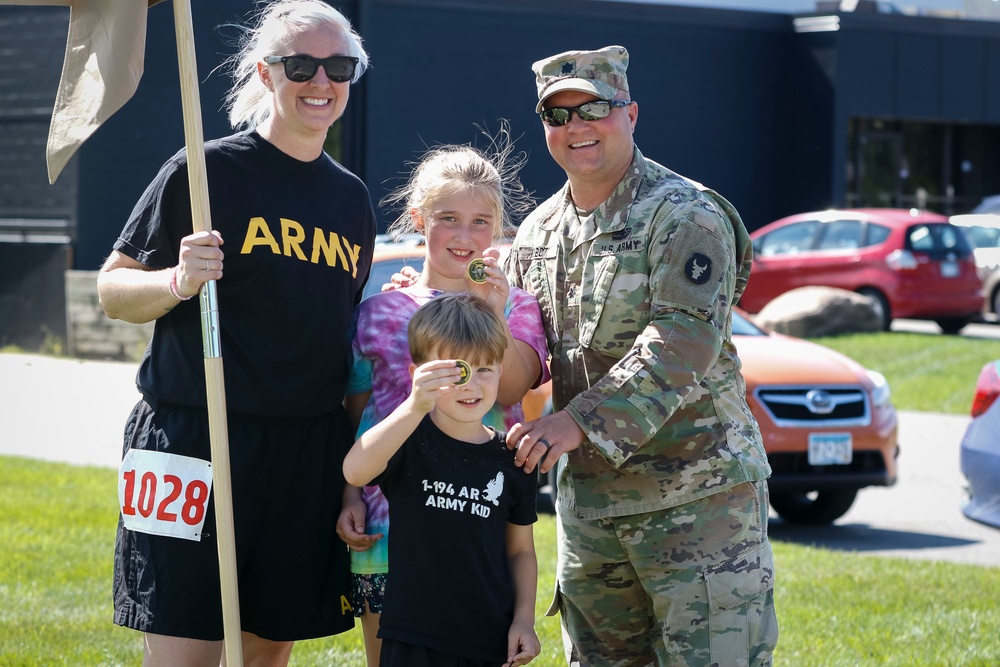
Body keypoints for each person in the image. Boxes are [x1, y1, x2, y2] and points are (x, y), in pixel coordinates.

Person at [97, 1, 374, 665]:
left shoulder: (351, 200)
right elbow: (113, 288)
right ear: (266, 72)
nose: (320, 81)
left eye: (338, 66)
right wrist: (177, 282)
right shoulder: (204, 170)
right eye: (301, 64)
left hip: (304, 450)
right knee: (185, 652)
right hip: (193, 435)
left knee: (264, 655)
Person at [502, 46, 780, 666]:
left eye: (593, 108)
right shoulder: (538, 233)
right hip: (593, 514)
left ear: (631, 113)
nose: (576, 127)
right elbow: (522, 351)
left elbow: (684, 339)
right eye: (557, 115)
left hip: (699, 502)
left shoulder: (684, 213)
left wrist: (575, 422)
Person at [334, 141, 549, 667]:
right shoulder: (380, 311)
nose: (464, 235)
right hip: (391, 531)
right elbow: (358, 413)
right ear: (418, 219)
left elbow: (513, 390)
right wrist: (349, 496)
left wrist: (491, 312)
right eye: (448, 218)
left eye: (481, 222)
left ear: (498, 227)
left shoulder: (518, 306)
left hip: (480, 529)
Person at [342, 293, 541, 667]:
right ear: (420, 375)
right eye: (457, 372)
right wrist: (415, 405)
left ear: (500, 369)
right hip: (411, 634)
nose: (472, 384)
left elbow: (521, 551)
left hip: (488, 636)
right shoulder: (407, 439)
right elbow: (355, 470)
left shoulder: (513, 458)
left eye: (485, 369)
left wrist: (524, 620)